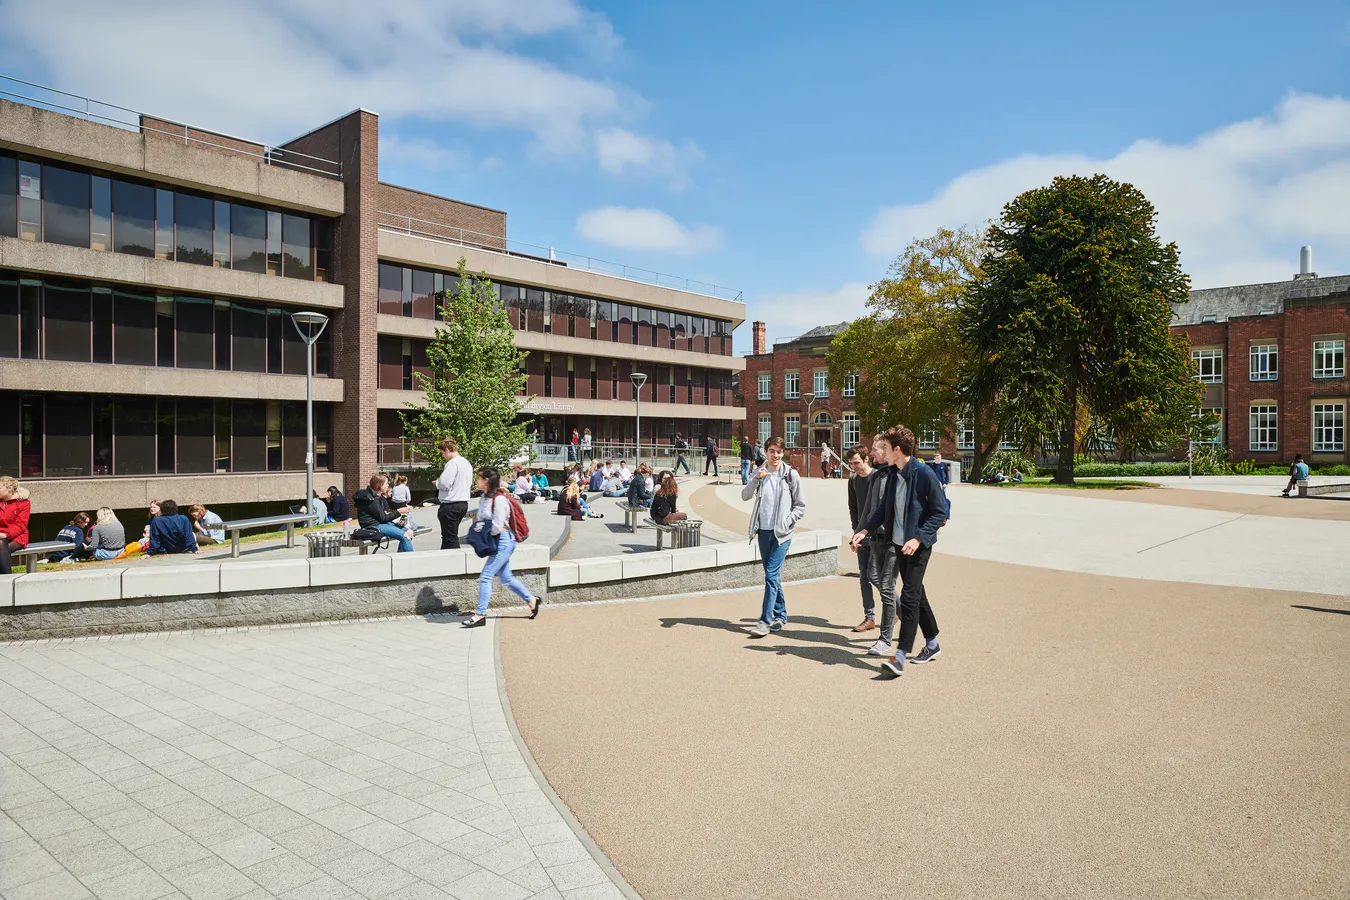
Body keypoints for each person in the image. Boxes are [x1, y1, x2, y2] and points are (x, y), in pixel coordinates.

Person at [850, 425, 948, 677]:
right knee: (919, 595)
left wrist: (918, 538)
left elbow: (940, 512)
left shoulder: (924, 473)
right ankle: (933, 644)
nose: (881, 451)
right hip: (899, 543)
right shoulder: (894, 473)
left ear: (897, 450)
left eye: (885, 448)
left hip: (918, 546)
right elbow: (883, 509)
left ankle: (900, 655)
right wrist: (865, 531)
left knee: (909, 597)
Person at [742, 436, 806, 637]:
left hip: (782, 534)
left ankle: (764, 621)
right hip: (763, 531)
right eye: (771, 451)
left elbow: (800, 507)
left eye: (779, 452)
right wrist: (756, 479)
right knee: (773, 577)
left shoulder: (790, 474)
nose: (775, 455)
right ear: (766, 452)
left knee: (770, 575)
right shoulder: (760, 471)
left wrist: (787, 521)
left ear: (783, 453)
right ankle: (781, 615)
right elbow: (745, 495)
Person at [462, 467, 539, 628]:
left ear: (487, 481)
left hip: (502, 540)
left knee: (486, 576)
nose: (476, 481)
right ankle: (531, 600)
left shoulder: (499, 499)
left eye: (479, 478)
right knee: (506, 578)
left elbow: (498, 525)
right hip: (496, 540)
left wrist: (482, 534)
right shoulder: (484, 497)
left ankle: (480, 614)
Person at [846, 445, 883, 633]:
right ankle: (869, 617)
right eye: (851, 464)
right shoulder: (852, 480)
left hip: (877, 535)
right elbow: (853, 507)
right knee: (863, 577)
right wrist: (856, 531)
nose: (854, 467)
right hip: (860, 535)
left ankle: (900, 608)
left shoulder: (878, 477)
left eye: (857, 463)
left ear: (866, 459)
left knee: (875, 576)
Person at [353, 474, 414, 552]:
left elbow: (385, 514)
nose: (388, 485)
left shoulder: (378, 497)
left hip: (381, 523)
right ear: (380, 485)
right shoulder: (372, 500)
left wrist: (398, 520)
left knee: (409, 532)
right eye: (386, 483)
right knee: (405, 536)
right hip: (374, 526)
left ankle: (400, 560)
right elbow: (383, 518)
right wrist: (399, 511)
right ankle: (410, 562)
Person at [434, 439, 473, 550]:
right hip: (463, 502)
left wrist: (437, 483)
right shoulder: (466, 463)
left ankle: (453, 561)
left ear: (446, 450)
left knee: (449, 538)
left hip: (450, 504)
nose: (443, 456)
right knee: (451, 535)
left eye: (442, 453)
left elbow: (445, 483)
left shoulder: (452, 463)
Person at [0, 476, 30, 575]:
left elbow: (20, 524)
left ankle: (6, 577)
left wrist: (6, 534)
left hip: (17, 536)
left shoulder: (23, 503)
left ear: (9, 488)